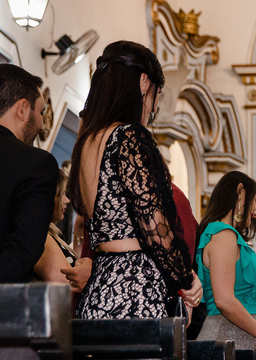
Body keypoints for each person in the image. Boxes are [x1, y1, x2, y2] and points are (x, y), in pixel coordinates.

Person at [68, 40, 201, 320]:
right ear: (144, 82)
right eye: (156, 96)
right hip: (134, 291)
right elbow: (155, 228)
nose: (152, 108)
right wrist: (186, 279)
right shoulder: (128, 136)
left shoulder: (88, 141)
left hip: (99, 290)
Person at [0, 64, 60, 283]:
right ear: (23, 109)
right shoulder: (37, 163)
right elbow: (24, 248)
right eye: (41, 112)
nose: (41, 125)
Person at [195, 172, 256, 355]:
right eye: (255, 201)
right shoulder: (223, 234)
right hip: (229, 336)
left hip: (237, 338)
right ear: (241, 192)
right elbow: (224, 300)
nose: (254, 213)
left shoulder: (225, 235)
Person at [33, 167, 84, 288]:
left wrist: (78, 233)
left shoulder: (47, 233)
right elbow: (68, 284)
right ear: (49, 199)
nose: (67, 200)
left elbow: (73, 264)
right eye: (62, 194)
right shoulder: (42, 237)